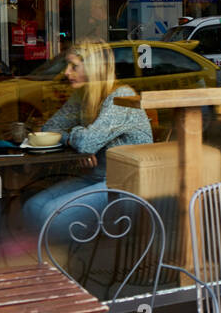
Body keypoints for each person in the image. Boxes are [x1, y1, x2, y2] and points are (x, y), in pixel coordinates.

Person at [21, 38, 153, 235]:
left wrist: (74, 139)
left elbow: (87, 143)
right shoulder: (82, 96)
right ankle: (43, 260)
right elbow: (50, 128)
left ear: (93, 68)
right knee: (31, 207)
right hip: (95, 178)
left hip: (125, 186)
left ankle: (64, 261)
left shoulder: (121, 96)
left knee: (51, 215)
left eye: (74, 66)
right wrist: (78, 141)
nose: (66, 72)